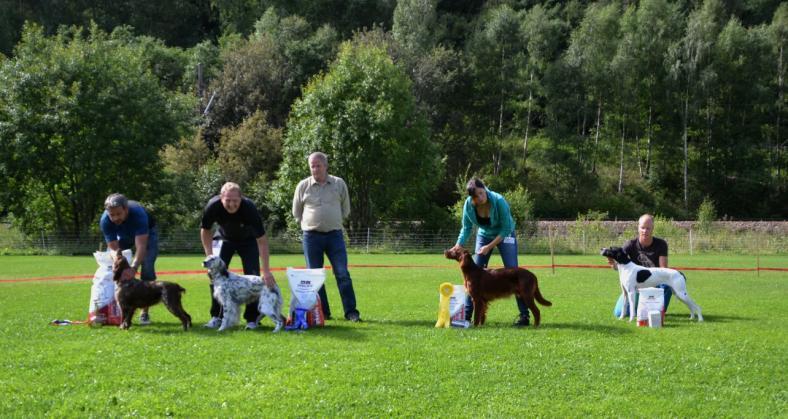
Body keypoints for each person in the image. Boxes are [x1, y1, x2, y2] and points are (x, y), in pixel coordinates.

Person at [449, 178, 531, 327]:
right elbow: (466, 227)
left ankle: (524, 316)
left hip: (505, 235)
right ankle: (467, 316)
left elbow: (506, 228)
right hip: (484, 234)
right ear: (471, 198)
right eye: (477, 196)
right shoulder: (469, 205)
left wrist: (488, 246)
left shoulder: (499, 201)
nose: (481, 198)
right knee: (473, 276)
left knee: (514, 272)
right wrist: (458, 245)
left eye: (482, 193)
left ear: (485, 188)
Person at [292, 152, 361, 322]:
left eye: (318, 165)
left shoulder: (338, 183)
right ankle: (323, 313)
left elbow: (346, 208)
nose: (315, 169)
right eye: (312, 166)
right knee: (315, 277)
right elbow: (296, 211)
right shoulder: (303, 186)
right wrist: (309, 224)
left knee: (342, 273)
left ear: (326, 166)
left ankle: (351, 312)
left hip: (334, 236)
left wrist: (333, 220)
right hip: (311, 237)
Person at [200, 182, 277, 330]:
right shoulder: (213, 205)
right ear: (221, 198)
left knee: (254, 276)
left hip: (248, 241)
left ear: (241, 198)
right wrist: (209, 256)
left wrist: (266, 271)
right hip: (223, 238)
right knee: (215, 277)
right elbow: (205, 230)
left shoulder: (249, 209)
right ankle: (217, 317)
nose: (231, 204)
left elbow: (262, 241)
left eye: (235, 200)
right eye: (227, 200)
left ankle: (252, 319)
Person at [99, 193, 159, 325]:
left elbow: (141, 246)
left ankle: (144, 312)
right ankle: (112, 310)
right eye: (112, 215)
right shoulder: (105, 220)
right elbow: (114, 249)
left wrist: (133, 268)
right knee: (111, 267)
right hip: (123, 235)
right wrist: (118, 261)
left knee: (147, 266)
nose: (115, 218)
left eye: (118, 214)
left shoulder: (138, 214)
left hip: (147, 233)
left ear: (126, 209)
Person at [608, 213, 672, 317]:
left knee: (668, 282)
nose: (645, 231)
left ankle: (659, 309)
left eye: (648, 228)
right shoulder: (630, 245)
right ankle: (642, 306)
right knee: (619, 313)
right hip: (635, 286)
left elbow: (663, 269)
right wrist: (612, 262)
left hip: (654, 283)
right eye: (642, 228)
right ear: (638, 227)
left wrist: (653, 285)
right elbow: (618, 267)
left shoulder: (661, 244)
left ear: (653, 229)